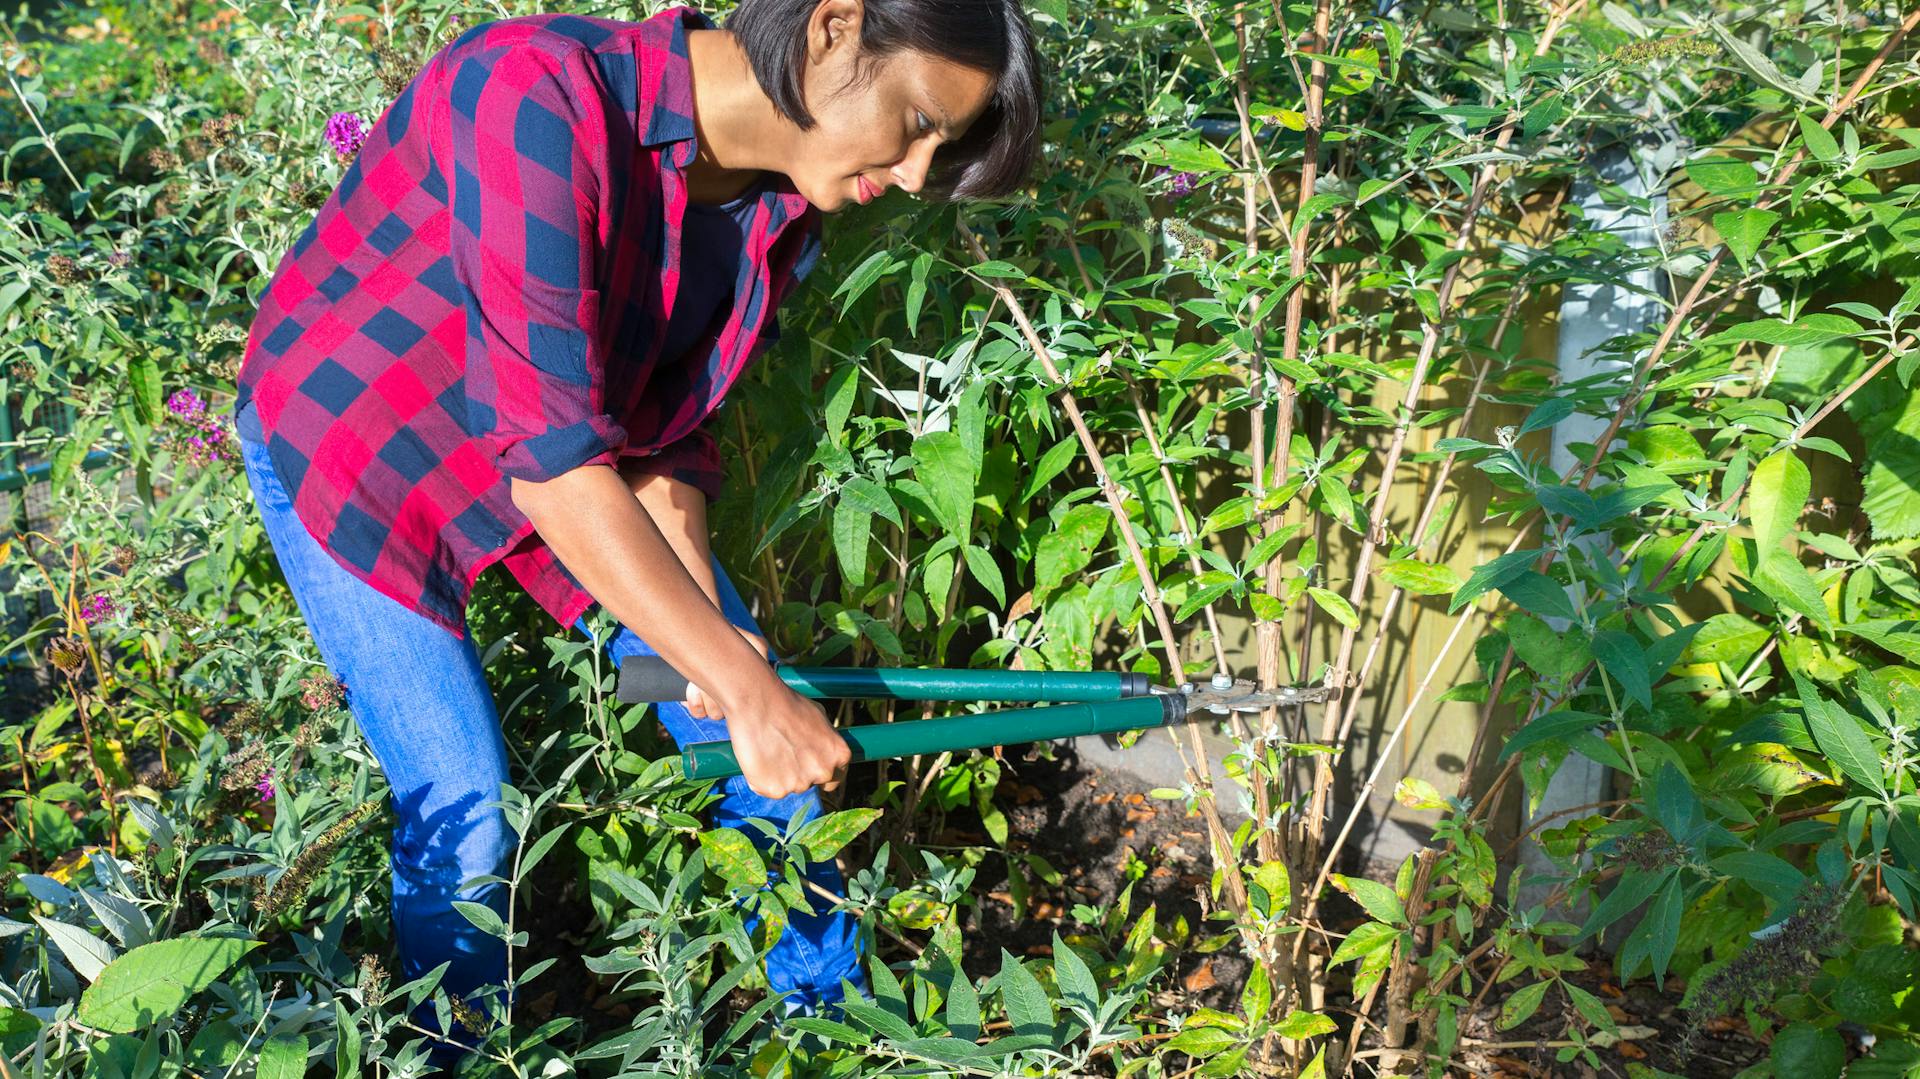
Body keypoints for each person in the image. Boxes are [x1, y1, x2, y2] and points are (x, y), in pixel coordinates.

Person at [226, 0, 1041, 1062]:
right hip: (360, 445)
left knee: (755, 744)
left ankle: (835, 1038)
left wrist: (712, 645)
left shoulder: (776, 207)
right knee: (466, 810)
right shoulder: (533, 92)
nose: (922, 172)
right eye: (920, 121)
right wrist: (741, 683)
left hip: (560, 462)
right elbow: (558, 473)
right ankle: (460, 1055)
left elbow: (666, 433)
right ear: (834, 26)